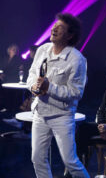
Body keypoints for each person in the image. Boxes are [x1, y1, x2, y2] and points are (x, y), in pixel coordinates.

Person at [27, 13, 89, 177]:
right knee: (37, 158)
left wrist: (50, 87)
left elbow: (76, 92)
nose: (54, 29)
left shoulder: (77, 59)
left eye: (60, 28)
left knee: (70, 161)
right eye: (54, 25)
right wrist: (34, 87)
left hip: (62, 116)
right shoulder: (42, 50)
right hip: (40, 112)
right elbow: (32, 74)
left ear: (69, 35)